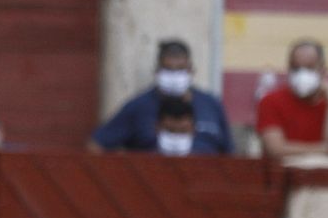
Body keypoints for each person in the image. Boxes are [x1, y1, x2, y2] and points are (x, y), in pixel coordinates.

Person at [90, 40, 233, 154]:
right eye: (168, 69)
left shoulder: (211, 105)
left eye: (180, 69)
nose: (174, 75)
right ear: (157, 71)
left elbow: (229, 153)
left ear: (191, 70)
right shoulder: (138, 107)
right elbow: (96, 145)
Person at [255, 38, 328, 160]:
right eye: (296, 68)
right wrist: (327, 149)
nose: (302, 74)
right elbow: (276, 150)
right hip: (284, 171)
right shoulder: (270, 102)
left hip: (325, 171)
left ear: (323, 71)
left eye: (309, 68)